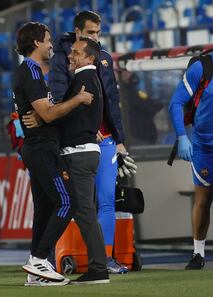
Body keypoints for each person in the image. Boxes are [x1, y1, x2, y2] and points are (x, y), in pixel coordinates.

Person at [49, 10, 137, 274]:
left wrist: (120, 140)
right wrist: (86, 126)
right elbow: (61, 99)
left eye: (98, 33)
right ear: (78, 32)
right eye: (90, 33)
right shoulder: (61, 60)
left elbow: (111, 102)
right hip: (78, 140)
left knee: (108, 200)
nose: (96, 38)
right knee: (78, 203)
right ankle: (63, 254)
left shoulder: (105, 59)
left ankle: (106, 258)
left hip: (107, 140)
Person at [13, 22, 94, 286]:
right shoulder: (32, 72)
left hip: (37, 146)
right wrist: (77, 101)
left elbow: (44, 112)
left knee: (45, 209)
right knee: (67, 201)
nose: (51, 45)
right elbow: (47, 113)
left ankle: (35, 272)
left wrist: (46, 112)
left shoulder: (29, 72)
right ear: (37, 43)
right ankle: (39, 259)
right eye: (48, 40)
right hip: (42, 148)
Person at [169, 20, 213, 269]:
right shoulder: (202, 67)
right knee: (203, 200)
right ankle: (198, 253)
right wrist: (182, 137)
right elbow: (176, 103)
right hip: (205, 147)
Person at [59, 36, 109, 284]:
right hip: (85, 152)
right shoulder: (90, 79)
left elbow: (66, 115)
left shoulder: (83, 79)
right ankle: (98, 266)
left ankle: (99, 269)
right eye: (71, 51)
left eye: (76, 53)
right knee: (83, 212)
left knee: (85, 213)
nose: (71, 55)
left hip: (78, 154)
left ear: (90, 58)